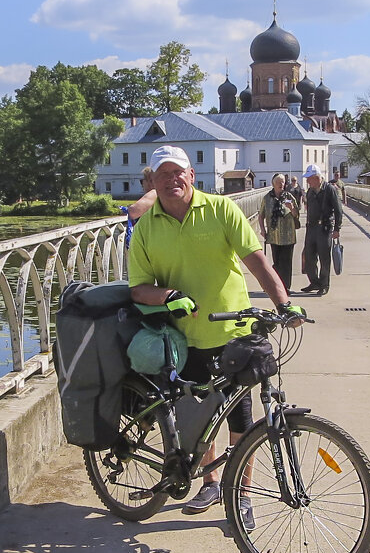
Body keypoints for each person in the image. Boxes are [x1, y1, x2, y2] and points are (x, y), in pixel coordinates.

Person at [129, 145, 304, 529]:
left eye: (179, 173)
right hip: (185, 336)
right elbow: (138, 289)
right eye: (163, 175)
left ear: (192, 175)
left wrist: (284, 303)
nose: (172, 180)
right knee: (200, 413)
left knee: (240, 416)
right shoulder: (145, 228)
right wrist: (169, 296)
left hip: (235, 331)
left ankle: (241, 493)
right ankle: (210, 483)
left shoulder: (223, 210)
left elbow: (257, 261)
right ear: (152, 182)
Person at [300, 164, 343, 295]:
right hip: (311, 228)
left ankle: (324, 284)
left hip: (325, 228)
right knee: (309, 257)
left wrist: (337, 229)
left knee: (324, 258)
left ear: (317, 178)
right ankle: (314, 282)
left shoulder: (329, 189)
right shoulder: (311, 191)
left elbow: (338, 210)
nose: (307, 181)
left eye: (309, 178)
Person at [258, 173, 298, 291]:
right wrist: (262, 230)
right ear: (273, 184)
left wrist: (291, 208)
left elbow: (296, 215)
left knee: (287, 263)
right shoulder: (267, 198)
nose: (281, 184)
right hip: (274, 236)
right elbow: (261, 215)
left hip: (288, 236)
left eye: (283, 182)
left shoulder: (289, 197)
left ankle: (286, 287)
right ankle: (276, 286)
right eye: (278, 182)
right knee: (277, 263)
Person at [120, 168, 156, 249]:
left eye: (142, 181)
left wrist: (124, 210)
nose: (142, 185)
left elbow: (133, 212)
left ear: (151, 181)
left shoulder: (154, 193)